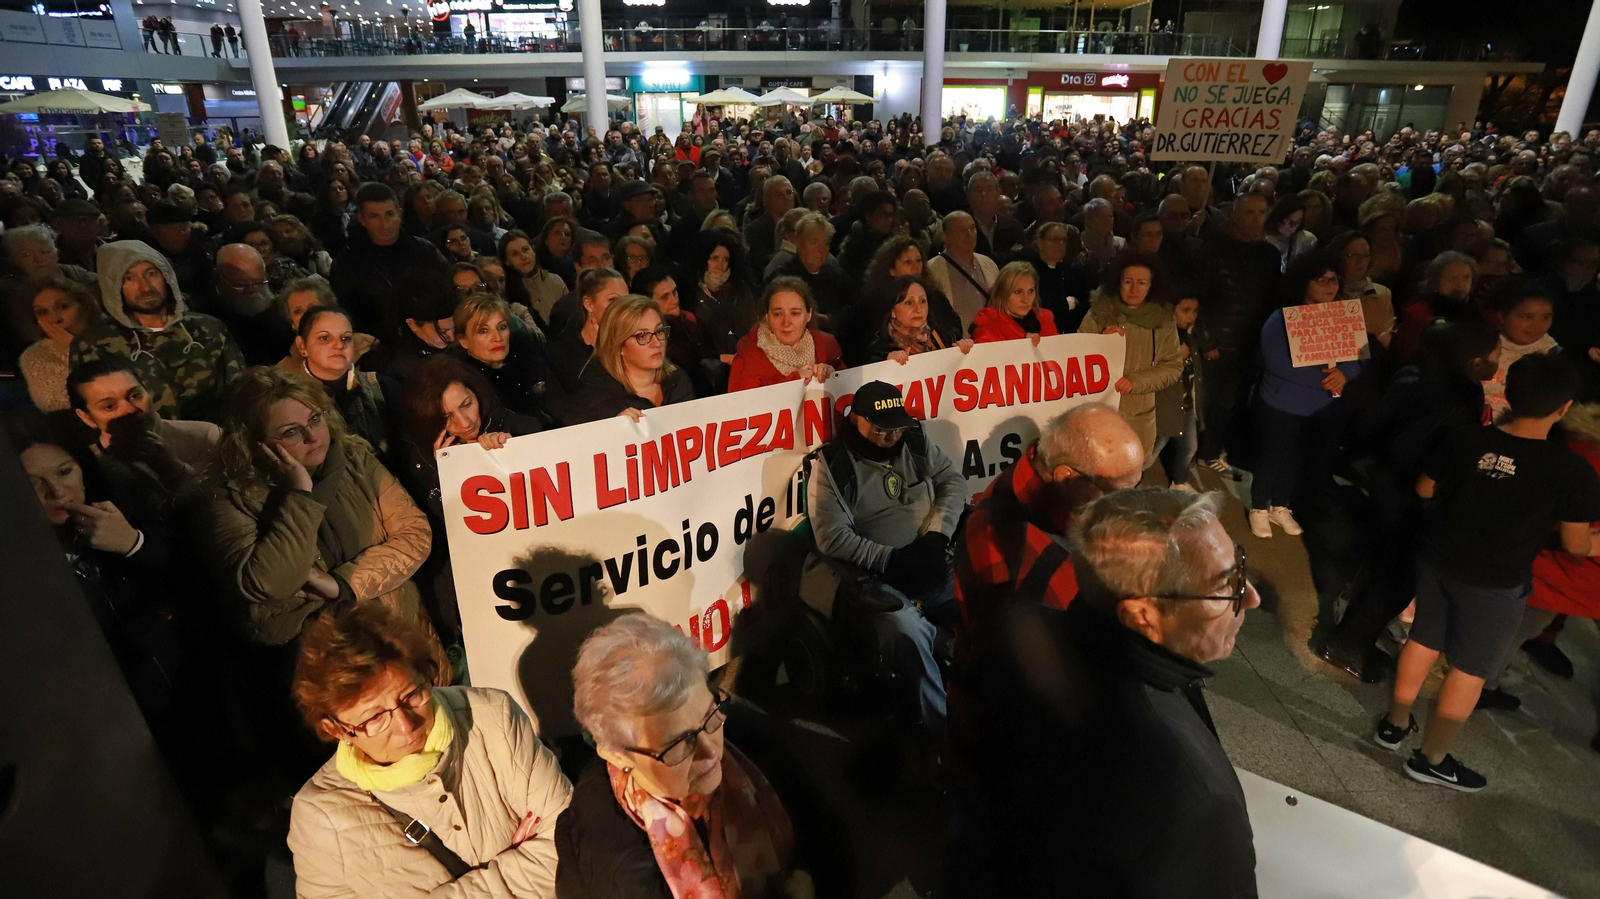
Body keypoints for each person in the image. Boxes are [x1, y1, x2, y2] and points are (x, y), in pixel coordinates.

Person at [952, 487, 1260, 896]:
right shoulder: (1198, 797)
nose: (1252, 597)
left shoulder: (1016, 629)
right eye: (1226, 586)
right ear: (1143, 615)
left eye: (1238, 565)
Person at [1378, 354, 1600, 792]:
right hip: (1496, 583)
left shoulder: (1464, 439)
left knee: (1423, 638)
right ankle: (1432, 758)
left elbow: (1425, 489)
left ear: (1510, 394)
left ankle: (1394, 724)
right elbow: (1576, 545)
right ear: (1564, 408)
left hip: (1438, 557)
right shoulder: (1570, 471)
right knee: (1470, 669)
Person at [287, 601, 570, 897]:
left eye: (411, 695)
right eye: (374, 717)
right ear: (335, 728)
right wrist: (520, 864)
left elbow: (570, 842)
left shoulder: (493, 717)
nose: (405, 725)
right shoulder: (320, 817)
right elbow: (550, 859)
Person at [198, 367, 445, 664]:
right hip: (324, 659)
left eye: (315, 418)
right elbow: (270, 587)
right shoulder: (230, 498)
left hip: (401, 632)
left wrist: (342, 584)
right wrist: (301, 495)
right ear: (254, 443)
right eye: (291, 431)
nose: (312, 436)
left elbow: (415, 535)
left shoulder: (354, 456)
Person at [558, 614, 815, 897]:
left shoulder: (741, 733)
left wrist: (809, 879)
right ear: (618, 756)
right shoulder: (611, 861)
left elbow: (819, 826)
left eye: (709, 715)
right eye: (679, 744)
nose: (713, 751)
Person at [1318, 322, 1500, 683]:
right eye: (1496, 355)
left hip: (1387, 479)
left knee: (1381, 562)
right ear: (1476, 362)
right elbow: (1439, 449)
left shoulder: (1421, 374)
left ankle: (1350, 633)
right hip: (1414, 491)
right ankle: (1349, 644)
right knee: (1398, 574)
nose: (1499, 361)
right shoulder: (1463, 394)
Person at [806, 380, 968, 736]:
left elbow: (952, 482)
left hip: (931, 557)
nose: (890, 436)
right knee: (907, 633)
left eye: (896, 428)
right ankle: (940, 732)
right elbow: (831, 537)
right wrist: (890, 560)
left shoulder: (915, 441)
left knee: (979, 600)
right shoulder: (833, 465)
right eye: (880, 429)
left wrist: (938, 534)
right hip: (878, 578)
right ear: (856, 421)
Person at [13, 415, 184, 721]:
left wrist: (134, 544)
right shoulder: (19, 570)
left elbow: (190, 584)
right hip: (108, 717)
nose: (57, 491)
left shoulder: (125, 504)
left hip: (186, 690)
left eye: (64, 472)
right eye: (32, 485)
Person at [70, 240, 244, 422]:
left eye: (151, 274)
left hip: (216, 441)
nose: (145, 287)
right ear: (113, 286)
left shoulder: (208, 328)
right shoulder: (93, 345)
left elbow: (241, 392)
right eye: (129, 278)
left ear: (166, 277)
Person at [398, 354, 544, 522]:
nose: (464, 422)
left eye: (466, 405)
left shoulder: (519, 426)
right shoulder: (421, 456)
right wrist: (447, 474)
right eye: (446, 417)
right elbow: (450, 523)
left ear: (478, 395)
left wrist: (514, 449)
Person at [1076, 254, 1183, 458]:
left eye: (1141, 283)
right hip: (1101, 411)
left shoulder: (1163, 321)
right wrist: (1099, 341)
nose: (1134, 289)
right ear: (1118, 283)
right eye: (1128, 282)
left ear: (1152, 286)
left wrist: (1136, 382)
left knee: (1133, 470)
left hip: (1139, 415)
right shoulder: (1098, 314)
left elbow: (1173, 366)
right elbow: (1075, 359)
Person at [330, 183, 450, 339]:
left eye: (389, 214)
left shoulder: (424, 250)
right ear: (362, 219)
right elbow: (345, 313)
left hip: (433, 337)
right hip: (378, 346)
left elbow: (448, 290)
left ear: (399, 214)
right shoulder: (346, 263)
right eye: (374, 216)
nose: (384, 224)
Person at [561, 293, 695, 425]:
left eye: (659, 331)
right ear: (619, 346)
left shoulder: (677, 380)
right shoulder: (593, 401)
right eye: (642, 335)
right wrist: (612, 431)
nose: (657, 343)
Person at [286, 305, 400, 457]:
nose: (339, 345)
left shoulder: (381, 386)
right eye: (325, 338)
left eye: (346, 338)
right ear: (302, 346)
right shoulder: (289, 400)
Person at [451, 294, 555, 423]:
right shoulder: (460, 384)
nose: (498, 337)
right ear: (463, 341)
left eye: (502, 327)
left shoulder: (530, 360)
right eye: (483, 331)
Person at [728, 277, 843, 392]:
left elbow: (849, 397)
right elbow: (743, 406)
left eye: (795, 313)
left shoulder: (827, 347)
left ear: (809, 314)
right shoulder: (747, 358)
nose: (786, 322)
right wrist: (794, 381)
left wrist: (834, 377)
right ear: (767, 316)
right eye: (778, 314)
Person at [20, 274, 101, 411]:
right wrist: (71, 351)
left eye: (63, 306)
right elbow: (54, 406)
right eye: (43, 312)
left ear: (84, 306)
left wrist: (79, 349)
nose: (55, 318)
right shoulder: (35, 356)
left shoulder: (114, 336)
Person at [1483, 278, 1561, 421]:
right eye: (1526, 317)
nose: (1536, 325)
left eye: (1545, 317)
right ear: (1502, 316)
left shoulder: (1552, 354)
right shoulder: (1485, 346)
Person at [213, 243, 297, 367]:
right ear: (218, 277)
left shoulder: (280, 311)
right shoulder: (209, 316)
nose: (252, 290)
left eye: (258, 282)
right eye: (240, 285)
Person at [547, 267, 629, 394]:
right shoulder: (560, 352)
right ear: (589, 304)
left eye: (626, 301)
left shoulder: (634, 341)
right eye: (613, 300)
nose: (623, 308)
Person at [1153, 293, 1204, 489]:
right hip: (1167, 407)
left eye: (1195, 312)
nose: (1191, 316)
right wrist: (1176, 355)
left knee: (1190, 447)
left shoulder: (1190, 336)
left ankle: (1179, 482)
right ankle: (1126, 484)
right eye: (1185, 311)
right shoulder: (1161, 336)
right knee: (1149, 454)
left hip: (1187, 405)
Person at [864, 275, 972, 364]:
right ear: (893, 311)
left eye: (922, 301)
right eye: (909, 303)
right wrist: (885, 364)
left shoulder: (942, 336)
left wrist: (963, 350)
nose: (918, 309)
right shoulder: (880, 350)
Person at [925, 211, 997, 331]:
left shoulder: (988, 264)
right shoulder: (931, 270)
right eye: (961, 230)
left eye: (972, 228)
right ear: (945, 237)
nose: (969, 234)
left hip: (990, 342)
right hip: (958, 346)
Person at [972, 260, 1060, 345]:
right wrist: (1023, 345)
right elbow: (987, 357)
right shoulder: (989, 322)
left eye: (1030, 291)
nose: (1026, 300)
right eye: (1017, 292)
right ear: (1002, 293)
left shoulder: (1045, 320)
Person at [500, 229, 565, 328]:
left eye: (526, 249)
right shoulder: (506, 291)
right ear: (507, 261)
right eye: (515, 254)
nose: (523, 257)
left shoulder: (555, 281)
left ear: (533, 250)